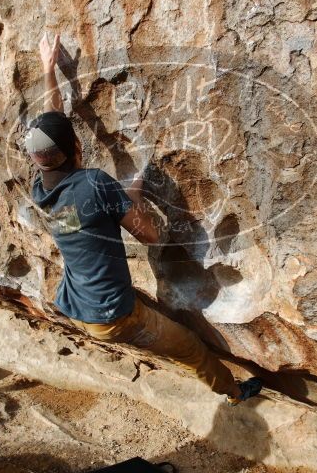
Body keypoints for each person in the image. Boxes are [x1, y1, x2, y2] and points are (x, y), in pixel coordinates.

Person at [25, 33, 262, 406]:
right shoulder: (95, 184)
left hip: (78, 303)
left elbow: (52, 124)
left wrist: (48, 68)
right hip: (114, 318)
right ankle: (234, 392)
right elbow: (150, 235)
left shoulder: (44, 187)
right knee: (188, 346)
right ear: (76, 148)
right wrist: (137, 198)